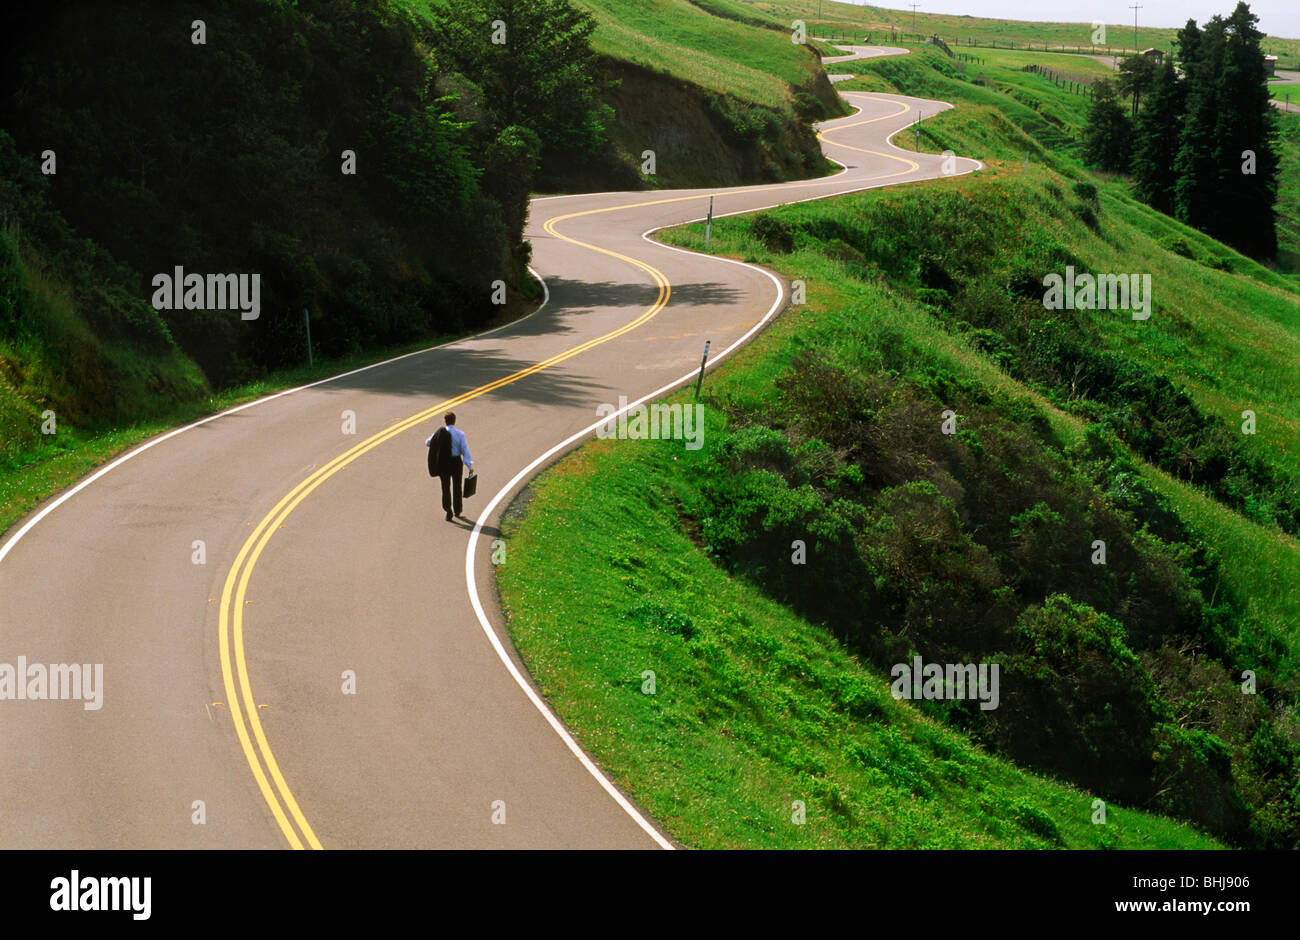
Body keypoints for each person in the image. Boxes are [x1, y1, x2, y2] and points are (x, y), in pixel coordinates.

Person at [426, 411, 474, 521]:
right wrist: (470, 467)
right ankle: (458, 510)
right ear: (454, 421)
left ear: (445, 421)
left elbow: (428, 442)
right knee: (457, 486)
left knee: (445, 487)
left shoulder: (440, 433)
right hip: (456, 462)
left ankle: (448, 510)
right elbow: (465, 451)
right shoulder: (460, 434)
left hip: (443, 463)